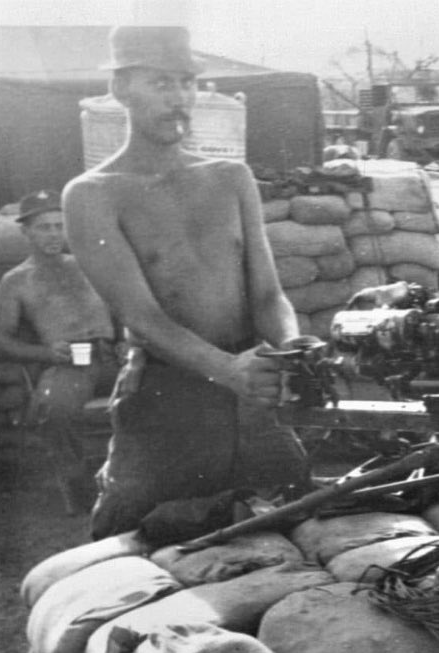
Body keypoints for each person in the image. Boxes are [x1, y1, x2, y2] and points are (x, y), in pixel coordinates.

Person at [62, 26, 312, 539]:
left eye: (187, 83)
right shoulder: (92, 196)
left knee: (295, 523)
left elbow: (267, 295)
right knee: (133, 545)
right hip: (164, 401)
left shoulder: (231, 178)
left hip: (252, 395)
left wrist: (292, 348)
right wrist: (229, 370)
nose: (179, 100)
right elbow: (143, 318)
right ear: (120, 89)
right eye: (161, 84)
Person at [0, 189, 123, 514]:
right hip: (71, 363)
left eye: (58, 226)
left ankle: (145, 480)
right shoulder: (16, 281)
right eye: (43, 227)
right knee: (55, 410)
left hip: (114, 356)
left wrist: (124, 338)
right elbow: (0, 342)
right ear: (25, 231)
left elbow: (123, 309)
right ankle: (80, 489)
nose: (53, 234)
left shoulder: (87, 265)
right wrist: (48, 353)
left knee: (163, 390)